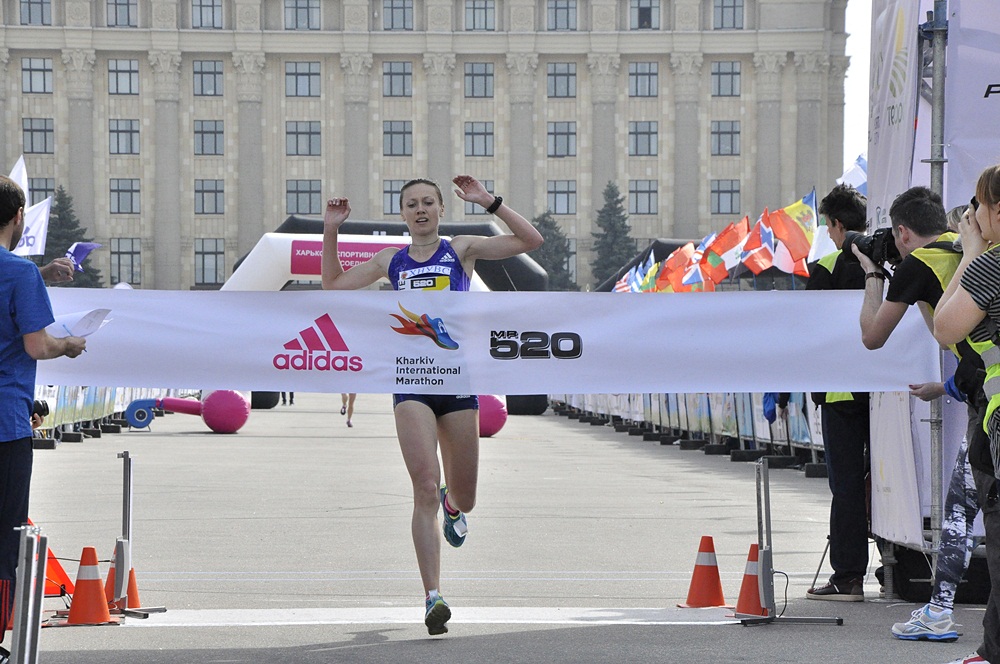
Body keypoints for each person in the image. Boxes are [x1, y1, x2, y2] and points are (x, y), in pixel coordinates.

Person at [321, 175, 542, 635]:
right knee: (423, 485)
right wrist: (331, 230)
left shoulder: (461, 250)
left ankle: (454, 508)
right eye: (411, 204)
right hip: (411, 383)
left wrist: (489, 202)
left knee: (465, 496)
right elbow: (333, 286)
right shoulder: (391, 260)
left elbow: (530, 240)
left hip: (457, 380)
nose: (420, 210)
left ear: (441, 209)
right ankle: (432, 597)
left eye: (427, 203)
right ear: (402, 214)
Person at [0, 175, 86, 655]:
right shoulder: (18, 275)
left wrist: (40, 274)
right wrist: (68, 344)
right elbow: (37, 344)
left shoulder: (24, 273)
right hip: (5, 423)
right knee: (4, 536)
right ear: (19, 217)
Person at [932, 164, 1000, 664]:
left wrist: (971, 254)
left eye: (978, 205)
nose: (972, 215)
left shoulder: (992, 264)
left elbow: (945, 325)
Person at [801, 184, 871, 601]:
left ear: (838, 225)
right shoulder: (888, 259)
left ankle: (848, 576)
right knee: (886, 482)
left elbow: (812, 331)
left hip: (843, 393)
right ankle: (893, 564)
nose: (828, 234)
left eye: (828, 227)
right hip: (889, 390)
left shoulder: (826, 266)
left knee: (845, 487)